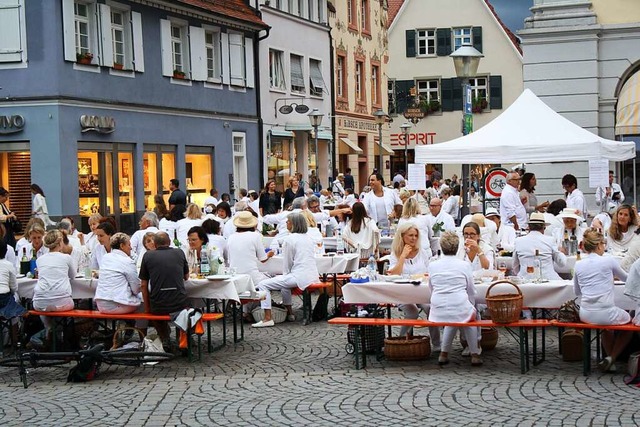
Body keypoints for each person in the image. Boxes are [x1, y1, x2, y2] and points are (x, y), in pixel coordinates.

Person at [574, 228, 632, 372]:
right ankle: (612, 357)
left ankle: (610, 363)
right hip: (605, 312)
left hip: (586, 313)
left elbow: (577, 291)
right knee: (629, 324)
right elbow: (628, 279)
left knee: (605, 327)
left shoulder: (578, 264)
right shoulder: (609, 261)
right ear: (599, 245)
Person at [252, 213, 319, 327]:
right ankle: (290, 313)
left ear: (293, 224)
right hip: (312, 275)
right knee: (284, 285)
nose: (286, 223)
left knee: (263, 285)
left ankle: (267, 318)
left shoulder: (289, 239)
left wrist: (285, 275)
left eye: (288, 221)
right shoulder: (309, 238)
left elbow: (287, 263)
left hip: (298, 276)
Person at [428, 232, 482, 366]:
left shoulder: (433, 265)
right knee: (468, 316)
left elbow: (431, 287)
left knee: (455, 316)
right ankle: (474, 353)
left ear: (441, 245)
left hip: (437, 308)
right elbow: (470, 290)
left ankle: (444, 353)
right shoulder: (464, 265)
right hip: (458, 304)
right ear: (458, 247)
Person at [386, 223, 441, 350]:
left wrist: (423, 275)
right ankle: (400, 342)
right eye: (410, 235)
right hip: (402, 292)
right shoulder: (396, 253)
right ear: (402, 236)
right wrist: (403, 257)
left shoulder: (421, 252)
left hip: (421, 291)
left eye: (416, 235)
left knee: (431, 308)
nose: (414, 238)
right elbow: (394, 274)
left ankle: (437, 344)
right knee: (412, 311)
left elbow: (429, 271)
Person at [139, 231, 189, 345]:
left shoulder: (148, 256)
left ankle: (164, 336)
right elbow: (186, 277)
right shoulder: (179, 252)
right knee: (188, 307)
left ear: (155, 244)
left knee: (155, 312)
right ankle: (183, 338)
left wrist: (147, 308)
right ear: (170, 242)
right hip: (179, 303)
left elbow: (143, 284)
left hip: (158, 304)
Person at [32, 230, 76, 335]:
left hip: (39, 301)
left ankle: (49, 330)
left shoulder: (40, 259)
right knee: (67, 306)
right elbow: (73, 276)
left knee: (44, 306)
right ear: (60, 242)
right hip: (62, 301)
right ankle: (60, 334)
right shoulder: (67, 258)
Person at [95, 233, 142, 315]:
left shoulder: (105, 258)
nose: (131, 248)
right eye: (129, 245)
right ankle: (140, 327)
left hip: (100, 305)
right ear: (122, 246)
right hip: (117, 304)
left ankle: (128, 325)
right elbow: (136, 289)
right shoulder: (127, 261)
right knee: (143, 299)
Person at [512, 213, 567, 281]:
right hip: (548, 280)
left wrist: (523, 275)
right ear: (544, 227)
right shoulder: (550, 240)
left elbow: (515, 266)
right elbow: (562, 263)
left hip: (525, 279)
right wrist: (561, 252)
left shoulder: (518, 241)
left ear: (529, 227)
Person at [0, 240, 25, 345]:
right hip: (4, 298)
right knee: (16, 310)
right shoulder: (9, 265)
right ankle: (15, 340)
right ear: (6, 252)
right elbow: (14, 287)